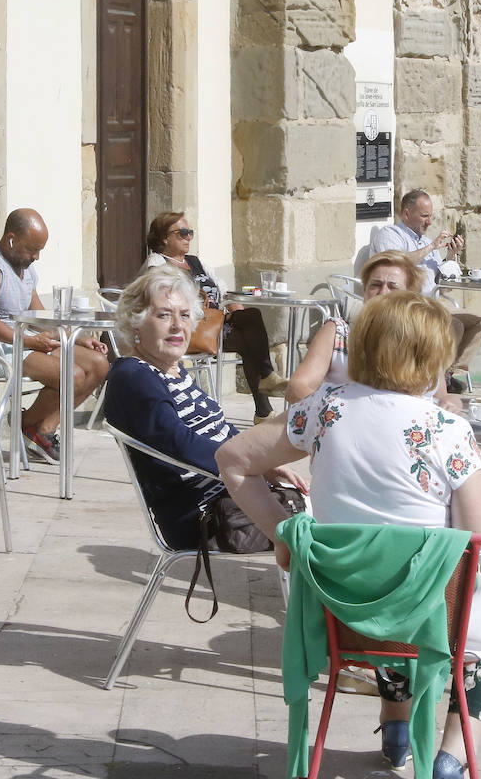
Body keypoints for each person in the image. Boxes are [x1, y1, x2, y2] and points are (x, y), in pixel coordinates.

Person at [215, 291, 481, 779]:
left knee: (390, 585)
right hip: (421, 616)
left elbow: (233, 460)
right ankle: (451, 761)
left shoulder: (325, 411)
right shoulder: (447, 430)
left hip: (340, 612)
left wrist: (284, 532)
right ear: (432, 359)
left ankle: (398, 734)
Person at [102, 266, 304, 548]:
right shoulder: (134, 377)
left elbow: (221, 430)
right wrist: (251, 463)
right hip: (208, 518)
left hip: (234, 499)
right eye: (164, 315)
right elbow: (179, 443)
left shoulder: (171, 370)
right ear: (136, 322)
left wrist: (266, 462)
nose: (177, 326)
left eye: (184, 315)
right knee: (332, 529)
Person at [0, 207, 109, 464]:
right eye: (32, 249)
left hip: (22, 343)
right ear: (11, 239)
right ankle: (27, 423)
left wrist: (76, 338)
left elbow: (39, 317)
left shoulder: (25, 268)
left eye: (40, 249)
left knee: (99, 365)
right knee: (71, 374)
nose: (37, 256)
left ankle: (39, 429)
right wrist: (29, 341)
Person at [143, 212, 285, 420]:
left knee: (251, 318)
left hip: (218, 324)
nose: (189, 237)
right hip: (191, 328)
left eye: (190, 233)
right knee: (249, 340)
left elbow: (224, 292)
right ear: (165, 237)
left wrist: (240, 319)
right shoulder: (158, 263)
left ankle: (265, 394)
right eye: (183, 233)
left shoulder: (196, 262)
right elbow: (158, 293)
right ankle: (265, 393)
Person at [284, 251, 462, 412]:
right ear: (364, 291)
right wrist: (337, 416)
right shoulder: (338, 332)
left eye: (393, 287)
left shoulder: (425, 336)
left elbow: (442, 396)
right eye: (375, 285)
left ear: (410, 295)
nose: (383, 292)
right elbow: (297, 388)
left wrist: (453, 403)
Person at [369, 189, 481, 388]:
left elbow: (444, 289)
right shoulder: (390, 235)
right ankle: (437, 380)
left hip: (432, 304)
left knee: (480, 323)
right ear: (407, 214)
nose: (430, 222)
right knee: (454, 325)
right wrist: (432, 247)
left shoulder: (425, 242)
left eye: (431, 216)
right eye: (424, 216)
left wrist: (450, 256)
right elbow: (395, 263)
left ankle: (446, 375)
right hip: (403, 306)